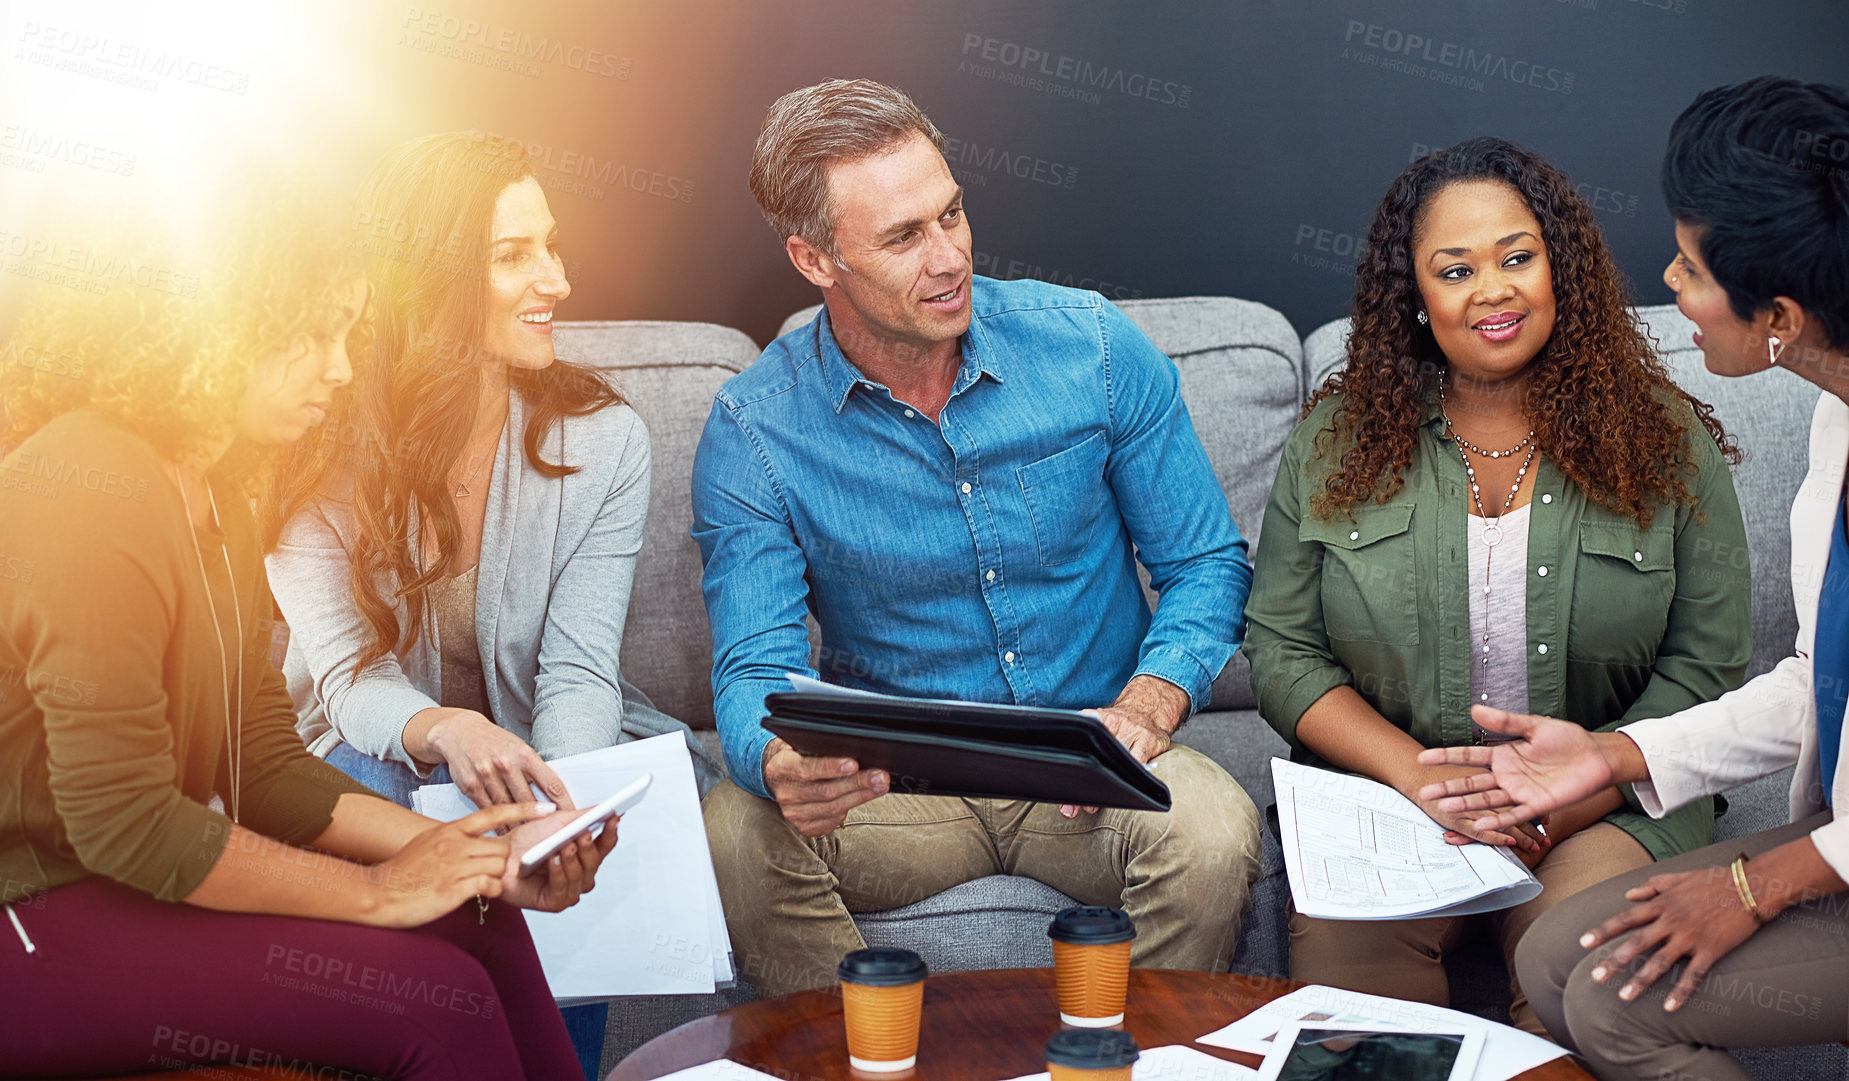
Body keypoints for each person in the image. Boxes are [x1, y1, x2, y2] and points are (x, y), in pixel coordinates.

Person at [0, 184, 612, 1079]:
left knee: (479, 913)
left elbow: (261, 763)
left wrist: (481, 855)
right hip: (31, 909)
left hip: (111, 885)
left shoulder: (220, 496)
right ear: (207, 323)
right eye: (312, 334)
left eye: (347, 336)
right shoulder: (88, 484)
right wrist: (374, 890)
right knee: (429, 1013)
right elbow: (124, 821)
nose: (338, 368)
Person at [695, 79, 1264, 995]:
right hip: (898, 791)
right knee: (733, 822)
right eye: (901, 236)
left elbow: (1205, 564)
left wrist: (1146, 708)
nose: (949, 256)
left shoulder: (1093, 347)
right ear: (813, 259)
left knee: (1211, 828)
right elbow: (750, 667)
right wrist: (777, 760)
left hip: (1090, 766)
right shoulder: (756, 428)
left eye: (951, 213)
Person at [1242, 136, 1752, 1035]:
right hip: (1393, 808)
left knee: (1580, 999)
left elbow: (1704, 667)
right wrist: (1416, 779)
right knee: (1358, 1040)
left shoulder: (1663, 437)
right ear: (1414, 296)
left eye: (1518, 257)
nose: (1493, 290)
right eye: (1455, 268)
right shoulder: (1335, 440)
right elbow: (1281, 649)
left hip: (1603, 809)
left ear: (1560, 268)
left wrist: (1568, 794)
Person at [1419, 77, 1849, 1080]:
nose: (1665, 281)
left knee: (1616, 1008)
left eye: (1691, 269)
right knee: (1547, 956)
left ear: (1778, 314)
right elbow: (1813, 684)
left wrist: (1751, 888)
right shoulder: (1836, 412)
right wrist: (1609, 756)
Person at [266, 132, 718, 812]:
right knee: (389, 800)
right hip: (377, 749)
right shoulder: (313, 439)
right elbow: (352, 678)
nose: (557, 281)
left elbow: (579, 672)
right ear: (425, 278)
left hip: (550, 746)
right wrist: (452, 729)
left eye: (552, 245)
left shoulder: (605, 439)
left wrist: (556, 810)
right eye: (511, 256)